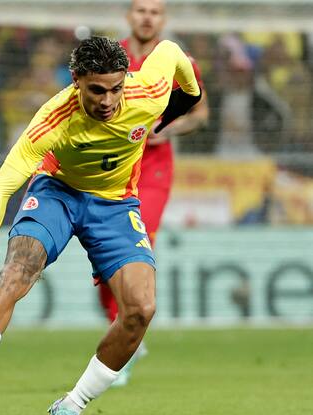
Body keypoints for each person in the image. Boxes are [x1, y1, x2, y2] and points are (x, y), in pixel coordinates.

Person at [0, 36, 201, 415]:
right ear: (76, 80)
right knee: (20, 270)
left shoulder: (148, 90)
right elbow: (4, 182)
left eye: (115, 88)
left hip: (115, 204)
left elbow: (171, 50)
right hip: (58, 193)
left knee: (141, 309)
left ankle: (71, 407)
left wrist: (188, 98)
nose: (108, 100)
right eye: (96, 90)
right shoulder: (53, 118)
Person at [98, 0, 209, 386]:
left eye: (154, 11)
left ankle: (125, 345)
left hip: (153, 170)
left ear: (164, 19)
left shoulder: (179, 60)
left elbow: (200, 113)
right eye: (141, 10)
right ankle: (125, 334)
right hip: (113, 166)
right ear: (129, 15)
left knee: (132, 246)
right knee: (103, 258)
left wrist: (168, 128)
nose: (147, 17)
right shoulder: (109, 56)